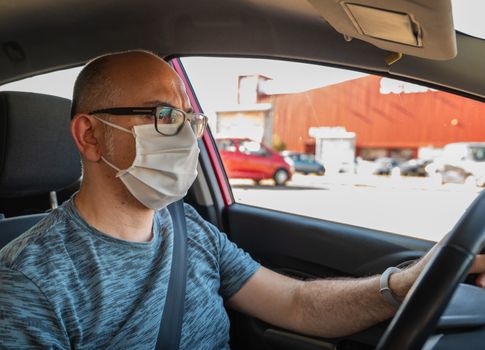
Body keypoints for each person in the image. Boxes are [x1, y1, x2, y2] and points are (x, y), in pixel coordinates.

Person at [1, 50, 485, 349]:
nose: (187, 136)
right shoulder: (27, 281)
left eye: (191, 120)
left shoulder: (187, 226)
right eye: (165, 114)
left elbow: (296, 304)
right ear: (89, 135)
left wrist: (406, 283)